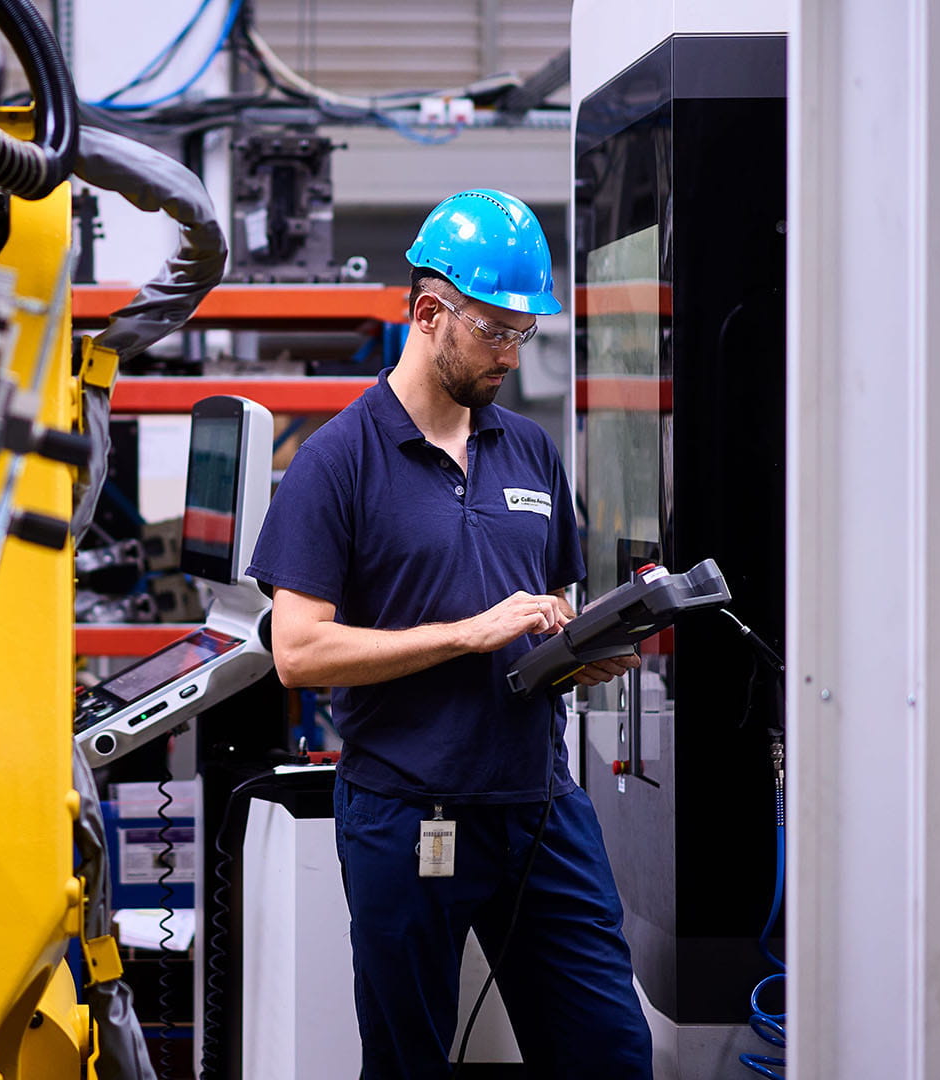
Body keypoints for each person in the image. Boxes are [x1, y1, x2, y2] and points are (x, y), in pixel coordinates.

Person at [246, 189, 654, 1079]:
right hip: (406, 813)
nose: (512, 355)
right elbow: (299, 651)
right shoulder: (335, 462)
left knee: (612, 1053)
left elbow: (547, 611)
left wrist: (583, 654)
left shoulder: (531, 453)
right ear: (430, 314)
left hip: (539, 807)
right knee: (408, 1061)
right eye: (496, 333)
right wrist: (467, 634)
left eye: (523, 334)